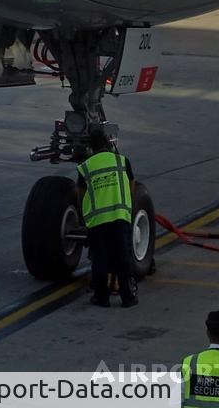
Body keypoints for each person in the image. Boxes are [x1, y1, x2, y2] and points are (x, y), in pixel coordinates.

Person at [75, 129, 138, 308]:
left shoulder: (86, 166)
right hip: (120, 216)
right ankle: (128, 297)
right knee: (123, 258)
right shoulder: (122, 160)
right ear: (109, 143)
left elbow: (79, 193)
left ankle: (102, 298)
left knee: (100, 259)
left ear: (91, 148)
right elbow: (132, 184)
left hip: (97, 220)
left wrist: (82, 214)